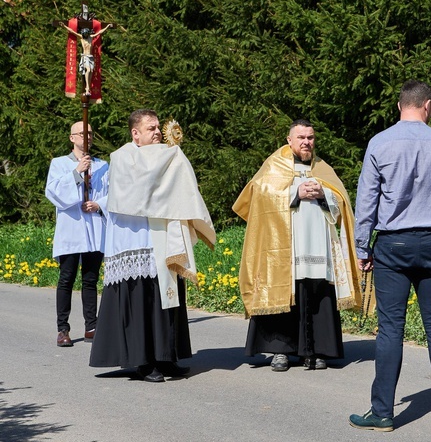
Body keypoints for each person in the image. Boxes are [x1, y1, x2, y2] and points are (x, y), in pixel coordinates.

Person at [349, 80, 431, 432]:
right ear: (427, 105)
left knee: (390, 329)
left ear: (401, 105)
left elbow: (367, 200)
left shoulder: (380, 143)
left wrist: (360, 246)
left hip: (393, 243)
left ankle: (383, 412)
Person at [90, 109, 215, 383]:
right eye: (151, 128)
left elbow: (182, 189)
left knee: (167, 299)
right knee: (142, 299)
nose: (158, 132)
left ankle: (166, 357)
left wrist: (177, 161)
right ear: (135, 133)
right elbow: (138, 190)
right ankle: (143, 362)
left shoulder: (169, 156)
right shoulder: (122, 157)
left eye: (159, 127)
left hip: (163, 236)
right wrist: (170, 163)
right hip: (135, 237)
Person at [232, 120, 361, 372]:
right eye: (301, 137)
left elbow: (341, 204)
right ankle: (280, 351)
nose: (306, 142)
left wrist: (325, 195)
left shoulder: (322, 168)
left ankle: (318, 350)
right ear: (289, 140)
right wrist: (294, 192)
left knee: (317, 292)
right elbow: (258, 196)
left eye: (311, 138)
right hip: (285, 247)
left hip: (318, 246)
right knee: (285, 293)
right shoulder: (274, 165)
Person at [45, 121, 108, 347]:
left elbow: (111, 193)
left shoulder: (102, 165)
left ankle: (91, 326)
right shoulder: (60, 163)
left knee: (90, 279)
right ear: (72, 138)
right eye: (82, 133)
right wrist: (76, 173)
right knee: (66, 278)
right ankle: (63, 329)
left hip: (93, 227)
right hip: (71, 227)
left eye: (90, 133)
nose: (87, 137)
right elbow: (53, 192)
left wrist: (98, 204)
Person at [59, 22, 112, 96]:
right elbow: (72, 31)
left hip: (91, 57)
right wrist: (64, 26)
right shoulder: (81, 37)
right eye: (84, 34)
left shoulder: (91, 37)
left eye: (86, 34)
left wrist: (107, 27)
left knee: (91, 72)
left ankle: (88, 89)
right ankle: (87, 87)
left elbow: (99, 32)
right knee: (89, 70)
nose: (85, 35)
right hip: (85, 57)